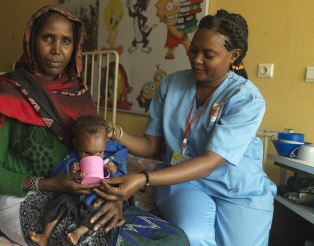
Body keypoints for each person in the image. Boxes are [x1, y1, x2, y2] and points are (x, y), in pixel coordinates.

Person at [0, 5, 189, 246]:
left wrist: (115, 199)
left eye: (66, 41)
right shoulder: (7, 94)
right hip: (25, 199)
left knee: (174, 237)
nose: (56, 50)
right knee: (99, 240)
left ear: (75, 46)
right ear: (30, 41)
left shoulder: (79, 95)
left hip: (84, 197)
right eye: (47, 38)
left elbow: (103, 152)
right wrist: (50, 184)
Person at [96, 9, 277, 246]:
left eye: (208, 55)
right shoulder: (171, 84)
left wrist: (143, 179)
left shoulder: (245, 99)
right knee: (193, 237)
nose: (196, 59)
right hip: (185, 181)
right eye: (194, 50)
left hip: (238, 189)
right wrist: (115, 132)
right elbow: (151, 146)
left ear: (233, 56)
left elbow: (209, 163)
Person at [29, 114, 128, 246]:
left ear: (106, 144)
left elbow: (121, 179)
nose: (94, 156)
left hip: (95, 197)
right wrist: (72, 170)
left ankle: (78, 232)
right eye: (86, 153)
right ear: (76, 144)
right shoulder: (72, 158)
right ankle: (45, 236)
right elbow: (60, 176)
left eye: (99, 152)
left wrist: (112, 170)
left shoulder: (111, 158)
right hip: (74, 198)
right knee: (58, 202)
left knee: (99, 212)